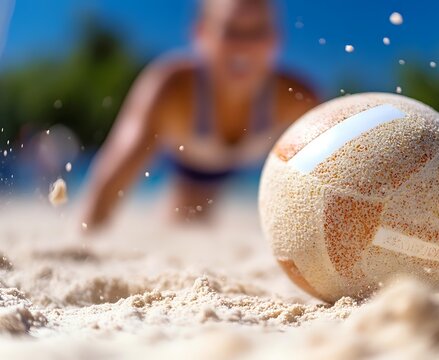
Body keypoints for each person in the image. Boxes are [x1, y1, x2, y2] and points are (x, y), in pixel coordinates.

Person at [81, 0, 319, 229]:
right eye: (231, 30)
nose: (244, 46)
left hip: (244, 169)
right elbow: (114, 173)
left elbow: (330, 174)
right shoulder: (170, 88)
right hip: (188, 164)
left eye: (257, 31)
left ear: (275, 39)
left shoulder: (297, 98)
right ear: (201, 33)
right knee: (183, 219)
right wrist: (87, 234)